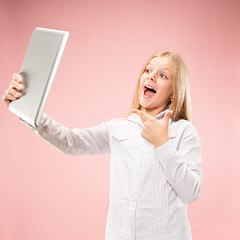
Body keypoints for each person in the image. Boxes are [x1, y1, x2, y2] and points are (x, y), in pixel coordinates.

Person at [2, 50, 203, 240]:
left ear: (174, 93)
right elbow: (70, 141)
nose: (150, 77)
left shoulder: (184, 131)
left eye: (163, 75)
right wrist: (27, 108)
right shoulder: (119, 127)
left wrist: (163, 143)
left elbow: (190, 192)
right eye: (148, 70)